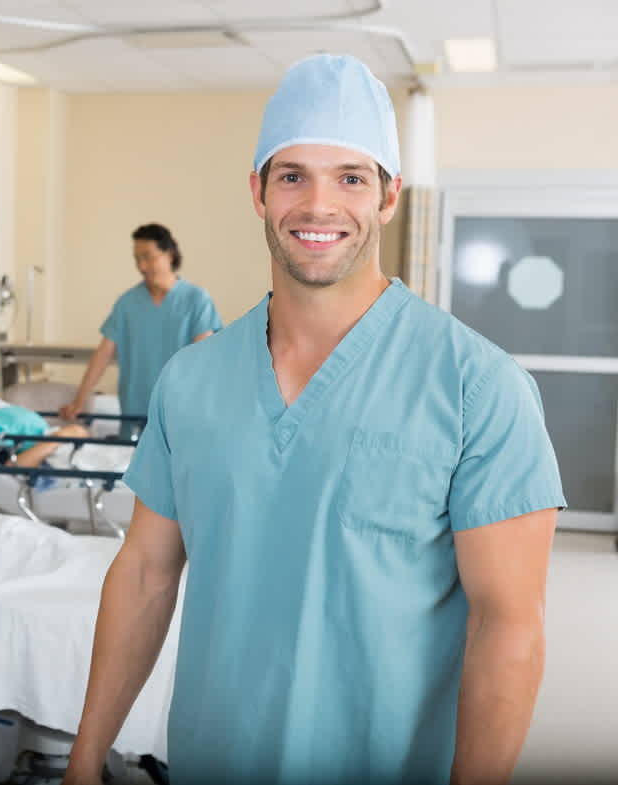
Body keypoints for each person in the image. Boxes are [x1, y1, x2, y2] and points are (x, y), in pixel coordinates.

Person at [63, 54, 565, 785]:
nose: (318, 204)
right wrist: (83, 761)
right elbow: (143, 573)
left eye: (350, 177)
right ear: (259, 193)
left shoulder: (476, 386)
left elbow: (508, 626)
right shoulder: (193, 382)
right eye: (292, 174)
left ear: (390, 196)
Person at [58, 223, 222, 436]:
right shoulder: (127, 303)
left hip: (181, 413)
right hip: (135, 413)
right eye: (137, 259)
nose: (142, 266)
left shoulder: (196, 300)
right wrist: (78, 402)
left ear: (169, 254)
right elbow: (103, 354)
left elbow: (204, 360)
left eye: (148, 257)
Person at [0, 353, 90, 468]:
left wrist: (71, 434)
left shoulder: (7, 410)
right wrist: (61, 436)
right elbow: (11, 467)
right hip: (57, 461)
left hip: (70, 449)